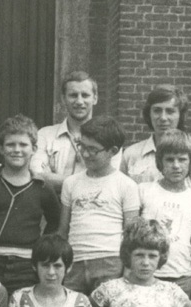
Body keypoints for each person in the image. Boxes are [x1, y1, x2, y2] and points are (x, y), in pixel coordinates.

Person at [0, 114, 60, 294]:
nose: (17, 150)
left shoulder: (42, 187)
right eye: (10, 144)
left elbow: (55, 220)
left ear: (34, 149)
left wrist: (41, 248)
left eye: (23, 145)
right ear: (0, 148)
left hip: (27, 266)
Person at [58, 115, 140, 295]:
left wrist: (127, 269)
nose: (85, 154)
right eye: (82, 146)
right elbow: (63, 230)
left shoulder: (126, 185)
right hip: (75, 263)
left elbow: (131, 235)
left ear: (113, 151)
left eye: (93, 149)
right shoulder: (71, 183)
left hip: (110, 263)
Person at [139, 131, 191, 296]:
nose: (176, 165)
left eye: (182, 159)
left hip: (182, 277)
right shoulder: (144, 191)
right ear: (160, 162)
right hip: (147, 275)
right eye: (169, 159)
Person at [32, 71, 121, 192]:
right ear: (63, 99)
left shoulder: (110, 137)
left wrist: (52, 178)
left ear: (95, 98)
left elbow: (106, 181)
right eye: (73, 95)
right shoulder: (45, 135)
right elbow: (37, 175)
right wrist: (87, 181)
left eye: (85, 95)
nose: (79, 101)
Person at [121, 85, 191, 196]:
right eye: (157, 111)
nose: (163, 118)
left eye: (170, 111)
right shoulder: (131, 155)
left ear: (181, 115)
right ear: (149, 114)